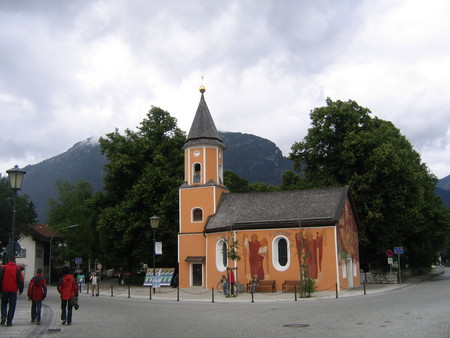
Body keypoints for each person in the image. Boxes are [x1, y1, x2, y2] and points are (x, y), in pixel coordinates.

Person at [0, 256, 24, 327]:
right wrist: (21, 289)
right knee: (12, 306)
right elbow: (20, 280)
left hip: (4, 289)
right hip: (13, 290)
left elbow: (0, 279)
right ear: (14, 261)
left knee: (4, 304)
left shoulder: (3, 268)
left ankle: (4, 316)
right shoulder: (17, 269)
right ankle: (9, 321)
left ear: (8, 260)